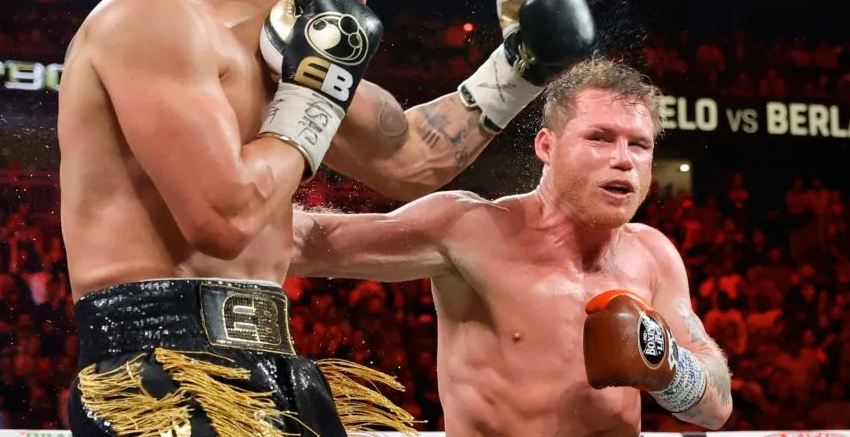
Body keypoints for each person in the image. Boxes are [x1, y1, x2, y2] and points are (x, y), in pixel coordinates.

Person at [58, 0, 595, 435]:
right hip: (156, 371)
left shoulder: (289, 60)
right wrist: (312, 93)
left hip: (273, 363)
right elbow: (222, 217)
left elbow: (412, 158)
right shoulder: (151, 17)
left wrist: (518, 69)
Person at [292, 58, 734, 436]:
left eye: (639, 144)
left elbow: (717, 409)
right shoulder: (470, 229)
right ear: (546, 145)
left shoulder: (652, 254)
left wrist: (670, 367)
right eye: (599, 137)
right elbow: (302, 242)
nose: (623, 159)